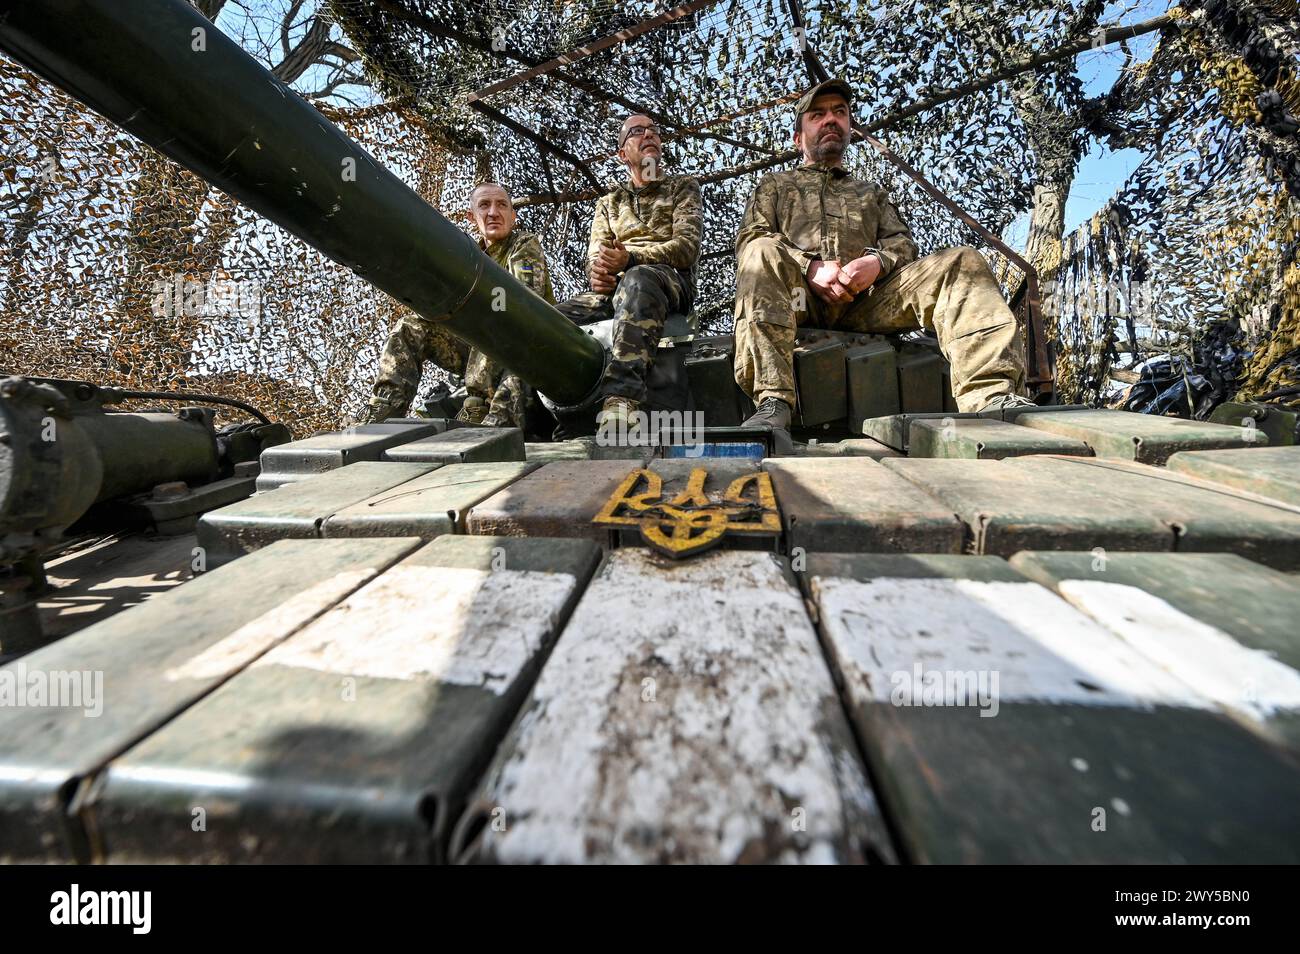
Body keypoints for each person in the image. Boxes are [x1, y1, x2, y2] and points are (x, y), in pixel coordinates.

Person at [733, 78, 1032, 443]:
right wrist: (810, 267)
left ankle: (991, 398)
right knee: (760, 251)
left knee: (962, 262)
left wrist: (876, 262)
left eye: (839, 113)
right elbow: (751, 237)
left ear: (848, 128)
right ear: (799, 138)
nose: (831, 119)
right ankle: (773, 401)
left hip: (868, 302)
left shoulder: (870, 192)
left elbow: (901, 243)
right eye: (818, 115)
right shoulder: (775, 186)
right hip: (798, 300)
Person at [360, 181, 552, 426]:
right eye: (484, 205)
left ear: (513, 216)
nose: (493, 212)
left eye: (502, 205)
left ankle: (477, 406)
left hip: (524, 344)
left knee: (497, 309)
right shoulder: (470, 256)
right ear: (472, 217)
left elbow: (525, 298)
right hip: (475, 351)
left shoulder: (523, 244)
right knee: (410, 326)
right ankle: (386, 406)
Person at [555, 115, 702, 434]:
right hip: (617, 288)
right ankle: (533, 415)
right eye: (637, 132)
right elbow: (596, 253)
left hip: (668, 282)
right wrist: (599, 272)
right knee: (546, 319)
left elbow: (686, 247)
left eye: (654, 131)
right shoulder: (609, 202)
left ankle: (621, 397)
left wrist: (631, 259)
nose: (649, 135)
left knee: (639, 279)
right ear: (622, 153)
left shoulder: (682, 187)